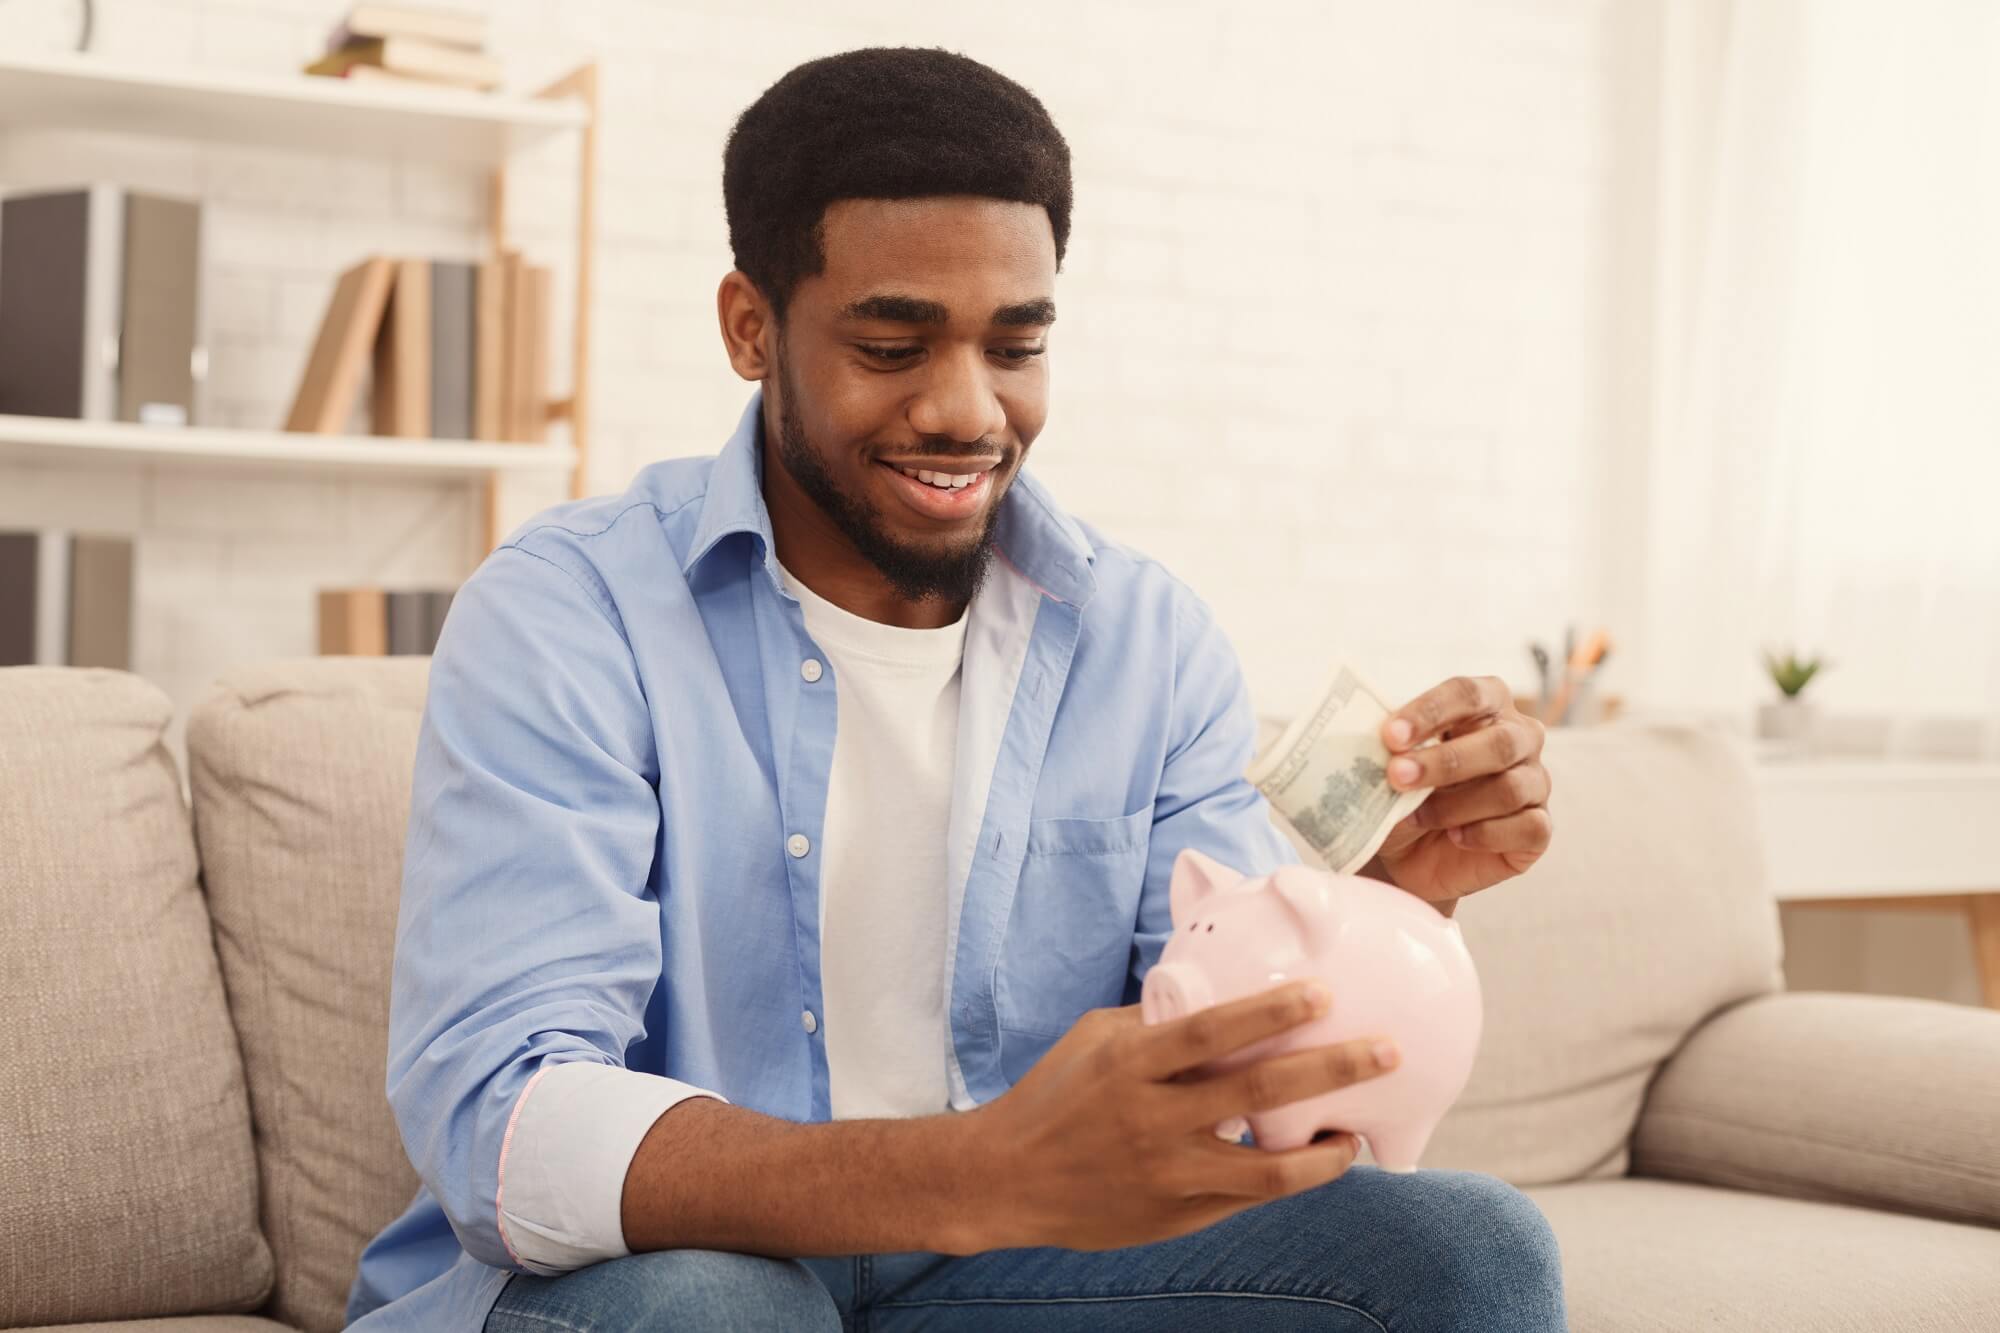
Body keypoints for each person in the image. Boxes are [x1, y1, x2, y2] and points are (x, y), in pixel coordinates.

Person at [346, 46, 1562, 1332]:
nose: (964, 410)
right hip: (666, 1275)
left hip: (1003, 1271)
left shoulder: (1143, 639)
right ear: (750, 327)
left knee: (1464, 1255)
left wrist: (1375, 919)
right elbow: (504, 1119)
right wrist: (972, 1173)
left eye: (1015, 345)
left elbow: (1218, 1091)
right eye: (889, 343)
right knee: (718, 1314)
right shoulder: (568, 613)